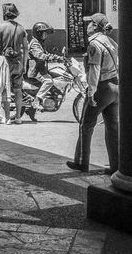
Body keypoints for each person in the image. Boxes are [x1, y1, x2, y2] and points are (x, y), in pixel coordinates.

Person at [67, 13, 119, 174]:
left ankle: (82, 162)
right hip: (115, 86)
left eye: (89, 23)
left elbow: (94, 69)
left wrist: (91, 91)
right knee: (112, 127)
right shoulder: (111, 42)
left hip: (101, 87)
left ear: (95, 26)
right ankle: (116, 165)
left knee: (86, 124)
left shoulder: (94, 44)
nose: (87, 26)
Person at [0, 3, 28, 124]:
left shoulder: (0, 28)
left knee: (5, 90)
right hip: (18, 62)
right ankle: (18, 117)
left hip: (5, 63)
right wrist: (24, 64)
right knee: (18, 90)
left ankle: (7, 118)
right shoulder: (21, 28)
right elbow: (26, 48)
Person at [28, 22, 72, 119]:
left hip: (41, 68)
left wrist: (59, 58)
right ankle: (37, 100)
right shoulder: (34, 44)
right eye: (45, 33)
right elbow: (40, 55)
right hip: (36, 70)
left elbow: (46, 53)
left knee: (57, 75)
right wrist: (52, 58)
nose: (46, 35)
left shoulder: (40, 43)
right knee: (49, 81)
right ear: (39, 33)